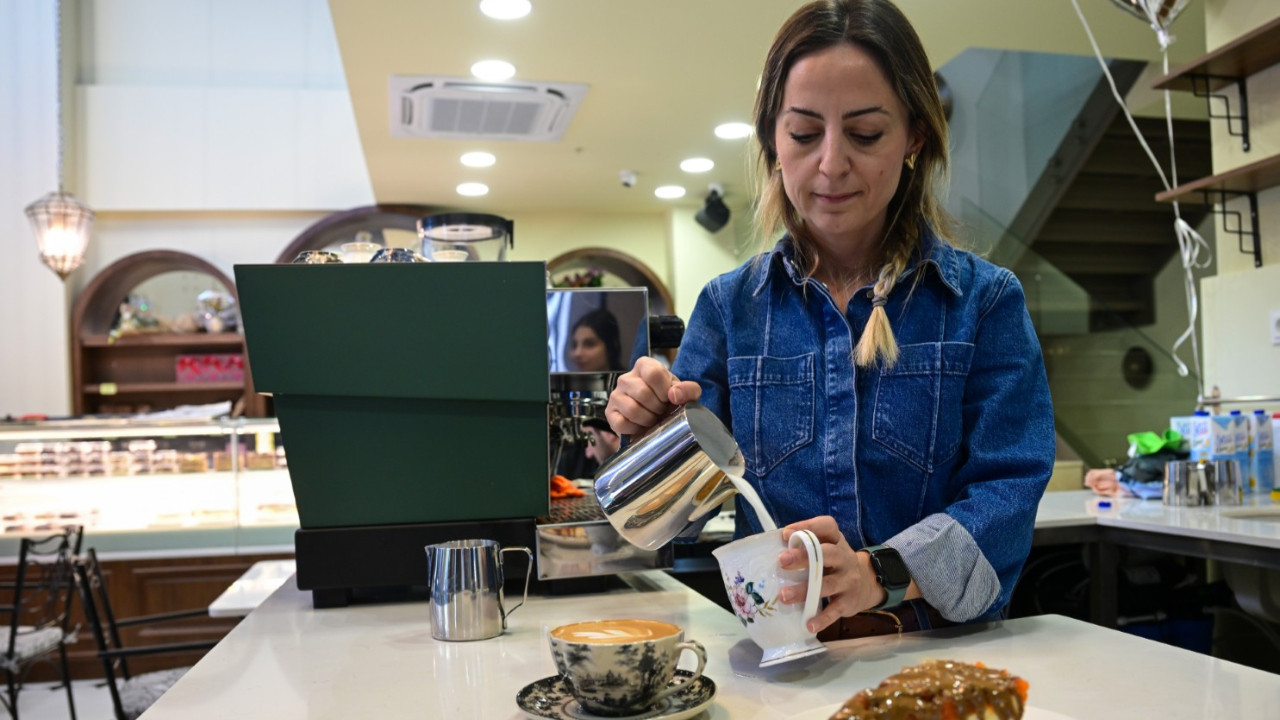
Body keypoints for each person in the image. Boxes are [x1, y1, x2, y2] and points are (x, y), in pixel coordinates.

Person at [605, 0, 1054, 639]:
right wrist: (649, 435)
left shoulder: (982, 303)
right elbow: (673, 525)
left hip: (935, 658)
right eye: (805, 133)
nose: (832, 164)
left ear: (914, 139)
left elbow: (1008, 492)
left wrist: (884, 572)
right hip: (784, 666)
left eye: (866, 134)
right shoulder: (731, 311)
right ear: (772, 139)